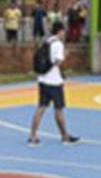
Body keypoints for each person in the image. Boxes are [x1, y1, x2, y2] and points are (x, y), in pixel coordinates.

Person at [27, 19, 79, 147]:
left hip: (43, 79)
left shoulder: (47, 41)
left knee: (41, 107)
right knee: (59, 109)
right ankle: (64, 136)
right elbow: (59, 62)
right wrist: (65, 55)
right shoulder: (59, 44)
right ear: (60, 31)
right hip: (54, 81)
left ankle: (32, 135)